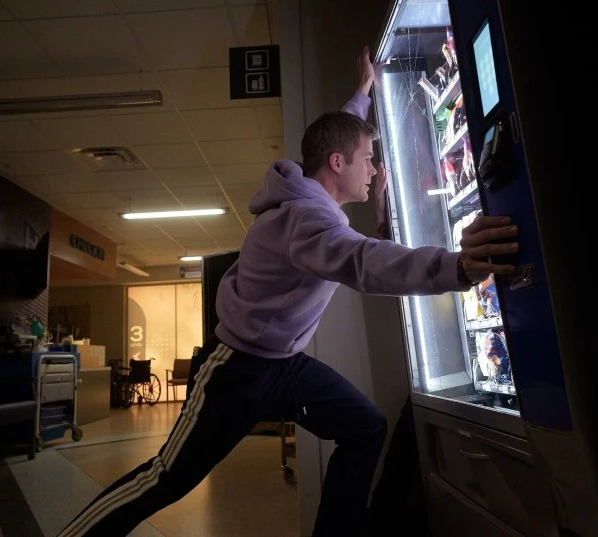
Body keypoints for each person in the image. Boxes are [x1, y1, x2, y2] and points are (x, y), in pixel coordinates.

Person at [57, 46, 518, 537]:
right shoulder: (307, 218)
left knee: (365, 426)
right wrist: (456, 267)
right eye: (368, 160)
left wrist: (362, 92)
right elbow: (363, 261)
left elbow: (338, 136)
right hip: (235, 370)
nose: (374, 170)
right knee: (165, 478)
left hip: (284, 365)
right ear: (337, 164)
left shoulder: (310, 190)